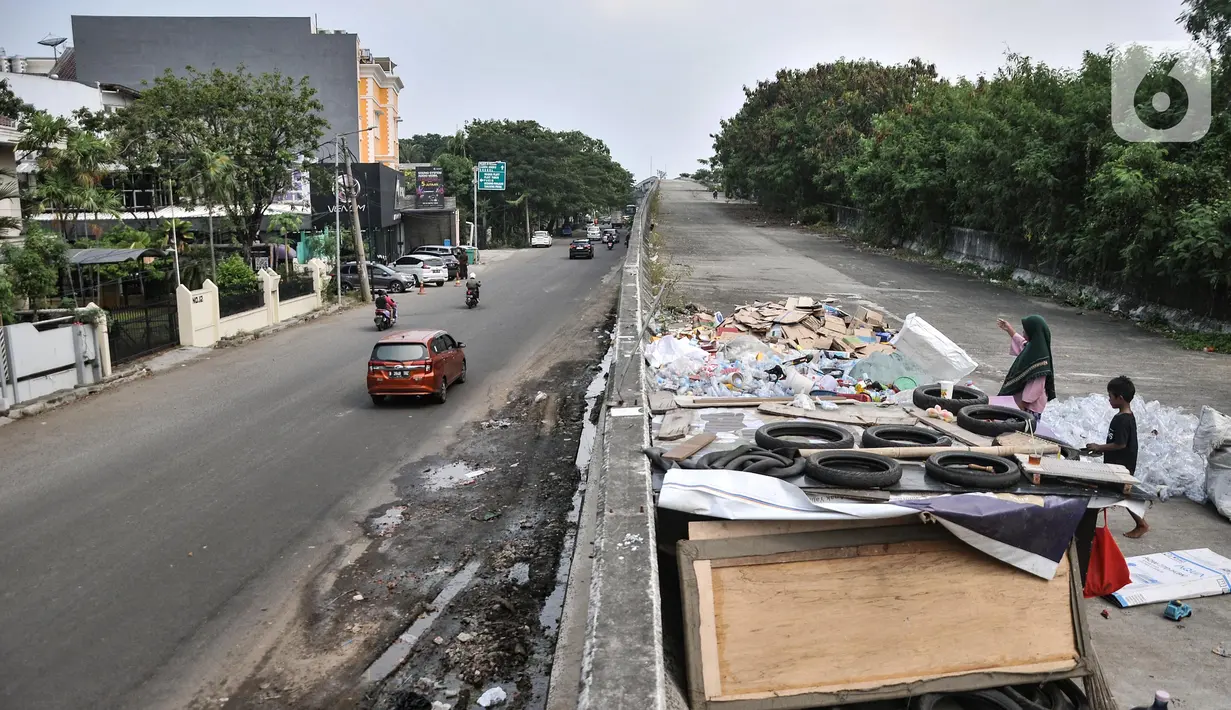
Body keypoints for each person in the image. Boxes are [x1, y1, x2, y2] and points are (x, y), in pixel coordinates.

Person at [1085, 376, 1147, 538]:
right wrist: (1103, 450)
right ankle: (1086, 522)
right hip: (1118, 463)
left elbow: (1120, 444)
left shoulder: (1123, 420)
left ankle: (1141, 524)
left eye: (1110, 396)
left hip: (1121, 467)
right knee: (1114, 494)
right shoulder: (1125, 416)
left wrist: (1099, 447)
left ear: (1120, 398)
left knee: (1117, 495)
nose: (1109, 399)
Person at [997, 315, 1055, 423]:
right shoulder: (1033, 348)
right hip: (1021, 405)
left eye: (1025, 331)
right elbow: (1022, 344)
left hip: (1028, 409)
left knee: (1022, 433)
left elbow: (1035, 388)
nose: (1023, 333)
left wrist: (1020, 405)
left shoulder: (1040, 362)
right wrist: (1010, 330)